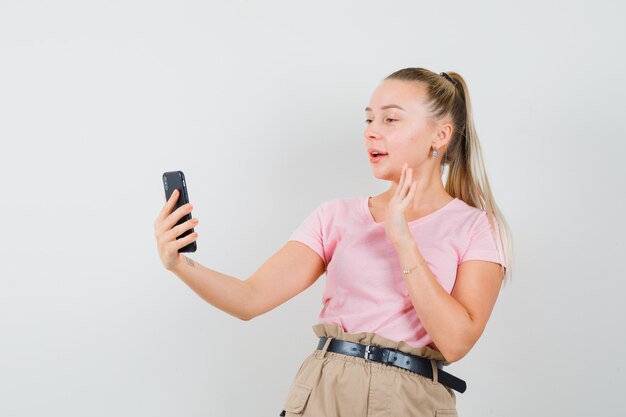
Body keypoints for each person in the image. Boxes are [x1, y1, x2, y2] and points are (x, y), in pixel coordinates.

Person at [153, 67, 513, 417]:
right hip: (324, 391)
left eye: (390, 120)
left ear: (440, 135)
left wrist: (403, 241)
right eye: (368, 119)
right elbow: (251, 299)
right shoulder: (335, 216)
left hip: (410, 400)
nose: (372, 132)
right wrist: (179, 265)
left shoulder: (477, 228)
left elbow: (456, 342)